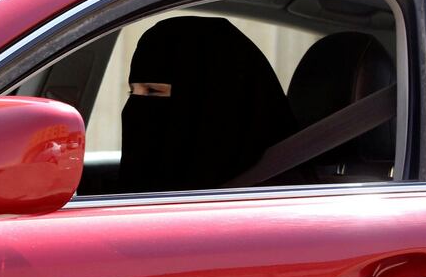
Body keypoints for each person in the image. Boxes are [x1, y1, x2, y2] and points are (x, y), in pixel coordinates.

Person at [118, 16, 297, 193]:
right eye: (132, 92)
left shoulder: (268, 199)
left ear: (213, 99)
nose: (134, 107)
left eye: (152, 91)